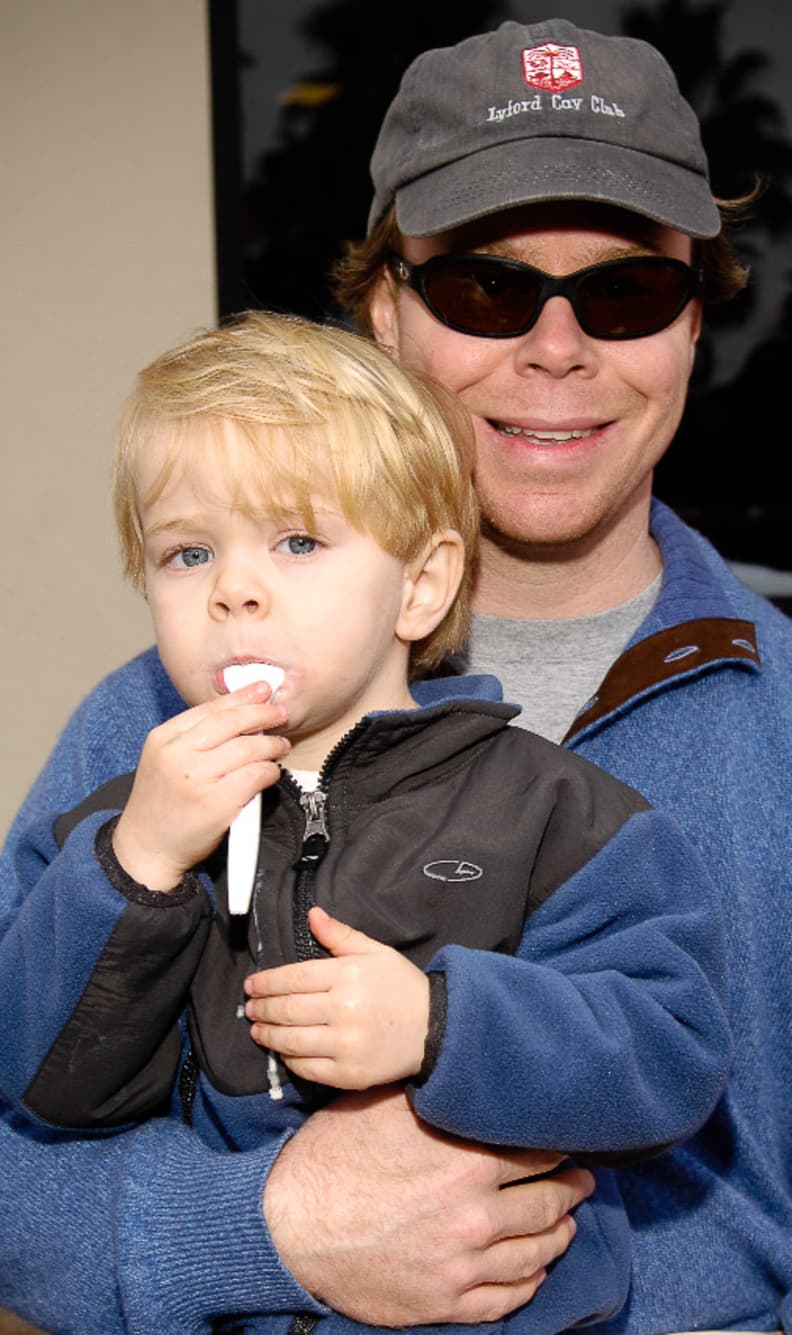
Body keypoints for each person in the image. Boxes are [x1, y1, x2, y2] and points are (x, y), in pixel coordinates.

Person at [2, 15, 792, 1335]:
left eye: (627, 292)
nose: (557, 347)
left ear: (694, 321)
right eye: (486, 287)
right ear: (383, 310)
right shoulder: (155, 727)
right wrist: (269, 1230)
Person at [0, 311, 731, 1333]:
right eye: (187, 552)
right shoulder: (116, 831)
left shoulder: (556, 814)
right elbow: (40, 1090)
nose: (233, 591)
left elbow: (672, 1056)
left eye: (297, 541)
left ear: (421, 587)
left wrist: (439, 1023)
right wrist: (138, 868)